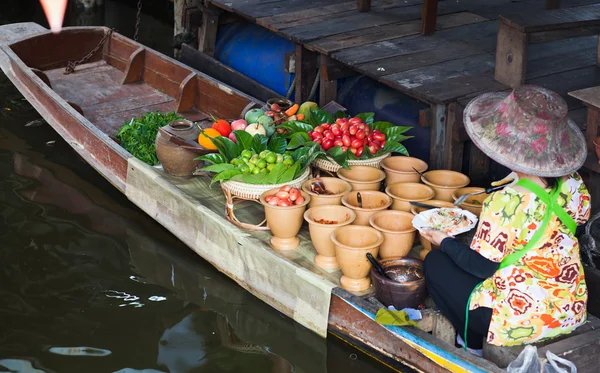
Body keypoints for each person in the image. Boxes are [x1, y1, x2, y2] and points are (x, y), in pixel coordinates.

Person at [421, 85, 591, 355]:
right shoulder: (573, 181)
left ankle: (472, 342)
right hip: (568, 306)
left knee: (435, 262)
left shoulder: (506, 201)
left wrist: (445, 241)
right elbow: (577, 219)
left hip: (518, 319)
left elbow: (480, 267)